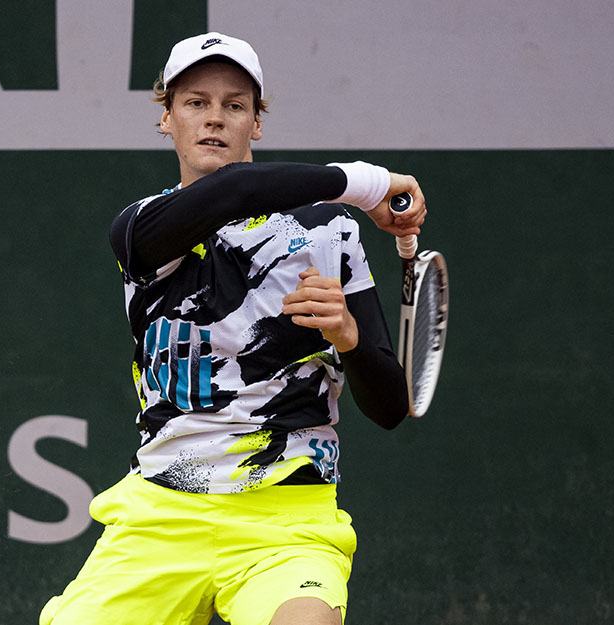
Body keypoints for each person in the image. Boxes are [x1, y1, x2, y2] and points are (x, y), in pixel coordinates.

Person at [40, 32, 427, 625]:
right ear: (165, 119)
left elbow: (391, 407)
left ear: (257, 124)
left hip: (288, 523)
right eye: (195, 102)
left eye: (235, 105)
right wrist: (366, 183)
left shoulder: (328, 235)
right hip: (160, 517)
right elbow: (234, 191)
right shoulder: (141, 231)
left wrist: (348, 338)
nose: (214, 119)